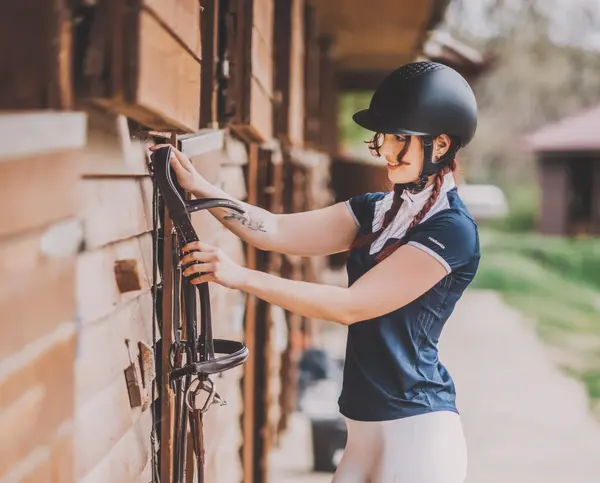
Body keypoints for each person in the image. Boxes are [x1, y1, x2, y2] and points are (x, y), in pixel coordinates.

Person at [149, 60, 480, 483]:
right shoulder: (378, 211)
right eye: (386, 137)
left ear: (440, 146)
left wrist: (240, 276)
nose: (388, 150)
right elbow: (276, 229)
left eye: (402, 138)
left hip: (417, 433)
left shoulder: (451, 231)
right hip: (363, 432)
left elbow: (351, 306)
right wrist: (204, 189)